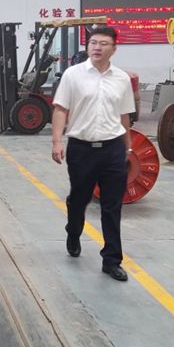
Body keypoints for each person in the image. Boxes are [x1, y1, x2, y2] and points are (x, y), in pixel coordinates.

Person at [50, 26, 135, 282]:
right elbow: (60, 109)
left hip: (112, 149)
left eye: (103, 43)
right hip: (81, 149)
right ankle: (73, 231)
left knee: (112, 206)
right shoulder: (73, 75)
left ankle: (112, 260)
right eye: (93, 43)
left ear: (114, 49)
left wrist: (128, 148)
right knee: (79, 199)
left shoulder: (121, 79)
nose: (97, 47)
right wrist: (57, 141)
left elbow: (124, 116)